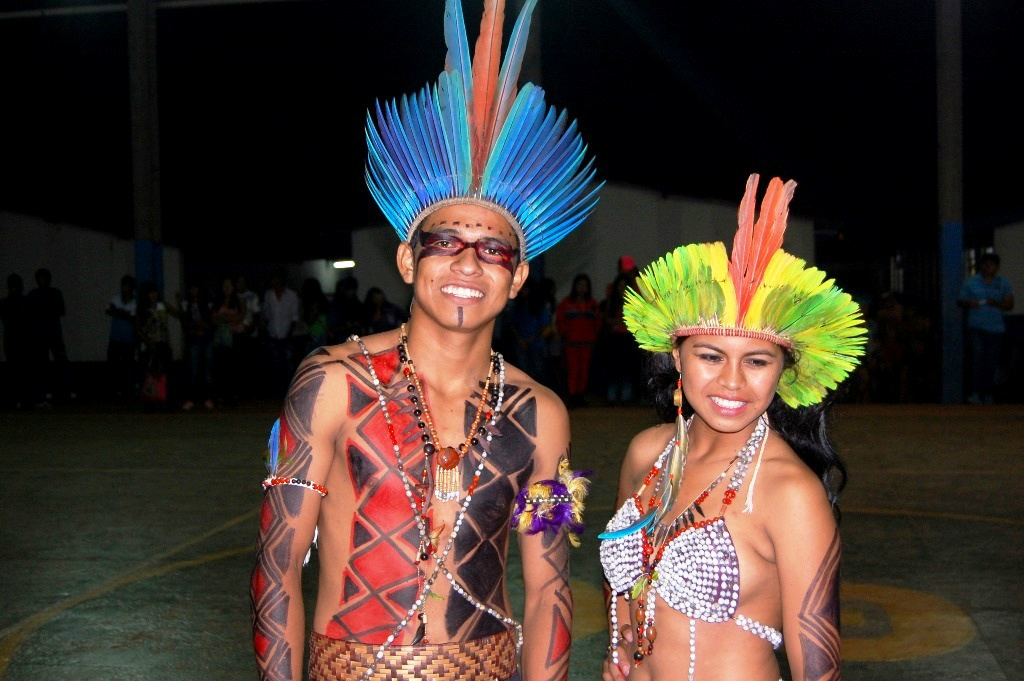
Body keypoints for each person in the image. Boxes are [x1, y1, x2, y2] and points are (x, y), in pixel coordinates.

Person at [250, 2, 601, 679]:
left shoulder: (544, 417)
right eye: (445, 242)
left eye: (492, 249)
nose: (468, 264)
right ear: (408, 261)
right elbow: (277, 573)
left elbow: (550, 583)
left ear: (519, 276)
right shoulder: (330, 384)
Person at [599, 175, 866, 681]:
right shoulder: (646, 454)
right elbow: (628, 589)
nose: (732, 382)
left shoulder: (789, 493)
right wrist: (620, 649)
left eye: (758, 361)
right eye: (710, 355)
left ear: (784, 372)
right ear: (676, 357)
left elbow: (819, 671)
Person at [958, 252, 1014, 404]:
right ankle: (976, 392)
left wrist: (994, 302)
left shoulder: (1003, 284)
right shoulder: (971, 282)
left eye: (991, 264)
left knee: (992, 361)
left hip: (996, 329)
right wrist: (970, 303)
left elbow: (1009, 304)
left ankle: (988, 393)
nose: (988, 267)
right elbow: (961, 301)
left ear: (996, 267)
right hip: (977, 327)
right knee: (978, 359)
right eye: (986, 264)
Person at [27, 268, 73, 403]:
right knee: (42, 364)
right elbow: (29, 313)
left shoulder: (55, 293)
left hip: (54, 334)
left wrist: (43, 311)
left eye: (44, 278)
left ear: (49, 279)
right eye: (40, 278)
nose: (42, 281)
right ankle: (44, 392)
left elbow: (61, 310)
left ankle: (66, 391)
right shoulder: (33, 294)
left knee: (62, 362)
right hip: (40, 335)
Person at [556, 274, 600, 407]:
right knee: (573, 370)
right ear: (575, 286)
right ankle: (572, 396)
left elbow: (598, 321)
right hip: (571, 343)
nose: (582, 288)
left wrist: (594, 335)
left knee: (584, 370)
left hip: (587, 343)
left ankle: (581, 395)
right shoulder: (566, 303)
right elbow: (560, 320)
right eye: (579, 284)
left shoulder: (592, 304)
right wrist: (565, 333)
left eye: (584, 285)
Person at [170, 283, 215, 411]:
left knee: (207, 370)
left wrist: (199, 326)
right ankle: (190, 399)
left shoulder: (207, 304)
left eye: (196, 288)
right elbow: (185, 323)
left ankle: (208, 398)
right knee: (193, 370)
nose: (194, 291)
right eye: (192, 288)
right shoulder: (186, 304)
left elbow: (210, 323)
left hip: (206, 339)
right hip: (194, 340)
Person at [600, 274, 638, 404]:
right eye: (620, 285)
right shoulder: (612, 301)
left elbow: (637, 320)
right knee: (614, 369)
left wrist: (620, 321)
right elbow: (606, 319)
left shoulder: (634, 301)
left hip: (628, 339)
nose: (622, 288)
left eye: (625, 285)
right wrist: (620, 321)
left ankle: (626, 397)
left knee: (627, 370)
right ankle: (612, 397)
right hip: (614, 340)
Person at [263, 268, 300, 395]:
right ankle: (275, 391)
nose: (275, 281)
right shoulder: (268, 295)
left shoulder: (292, 296)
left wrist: (288, 335)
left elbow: (294, 318)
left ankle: (289, 391)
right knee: (274, 365)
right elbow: (266, 316)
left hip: (287, 336)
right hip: (273, 335)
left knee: (288, 365)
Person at [136, 282, 172, 407]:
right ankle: (149, 399)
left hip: (162, 343)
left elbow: (176, 313)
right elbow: (138, 329)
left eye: (155, 292)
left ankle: (162, 398)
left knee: (163, 372)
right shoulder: (143, 309)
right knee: (149, 372)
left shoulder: (162, 306)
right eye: (150, 292)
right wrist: (148, 342)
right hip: (149, 345)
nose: (153, 295)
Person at [211, 276, 246, 404]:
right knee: (221, 367)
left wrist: (224, 318)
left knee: (234, 367)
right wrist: (229, 318)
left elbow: (241, 316)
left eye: (229, 285)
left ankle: (234, 394)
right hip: (220, 340)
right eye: (225, 285)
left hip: (234, 339)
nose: (227, 288)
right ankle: (220, 394)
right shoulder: (217, 301)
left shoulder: (238, 301)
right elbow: (213, 319)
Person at [0, 274, 32, 408]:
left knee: (23, 370)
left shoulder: (26, 302)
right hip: (12, 339)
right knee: (14, 369)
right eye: (12, 286)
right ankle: (14, 399)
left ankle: (23, 399)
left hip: (22, 339)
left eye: (16, 286)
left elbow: (30, 318)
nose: (14, 289)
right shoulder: (6, 303)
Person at [106, 275, 137, 400]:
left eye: (128, 286)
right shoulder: (115, 298)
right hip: (115, 339)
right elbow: (108, 311)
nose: (125, 288)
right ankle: (113, 391)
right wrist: (126, 314)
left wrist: (118, 312)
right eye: (124, 286)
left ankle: (127, 392)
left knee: (127, 367)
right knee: (113, 366)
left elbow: (133, 318)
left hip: (129, 339)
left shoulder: (135, 301)